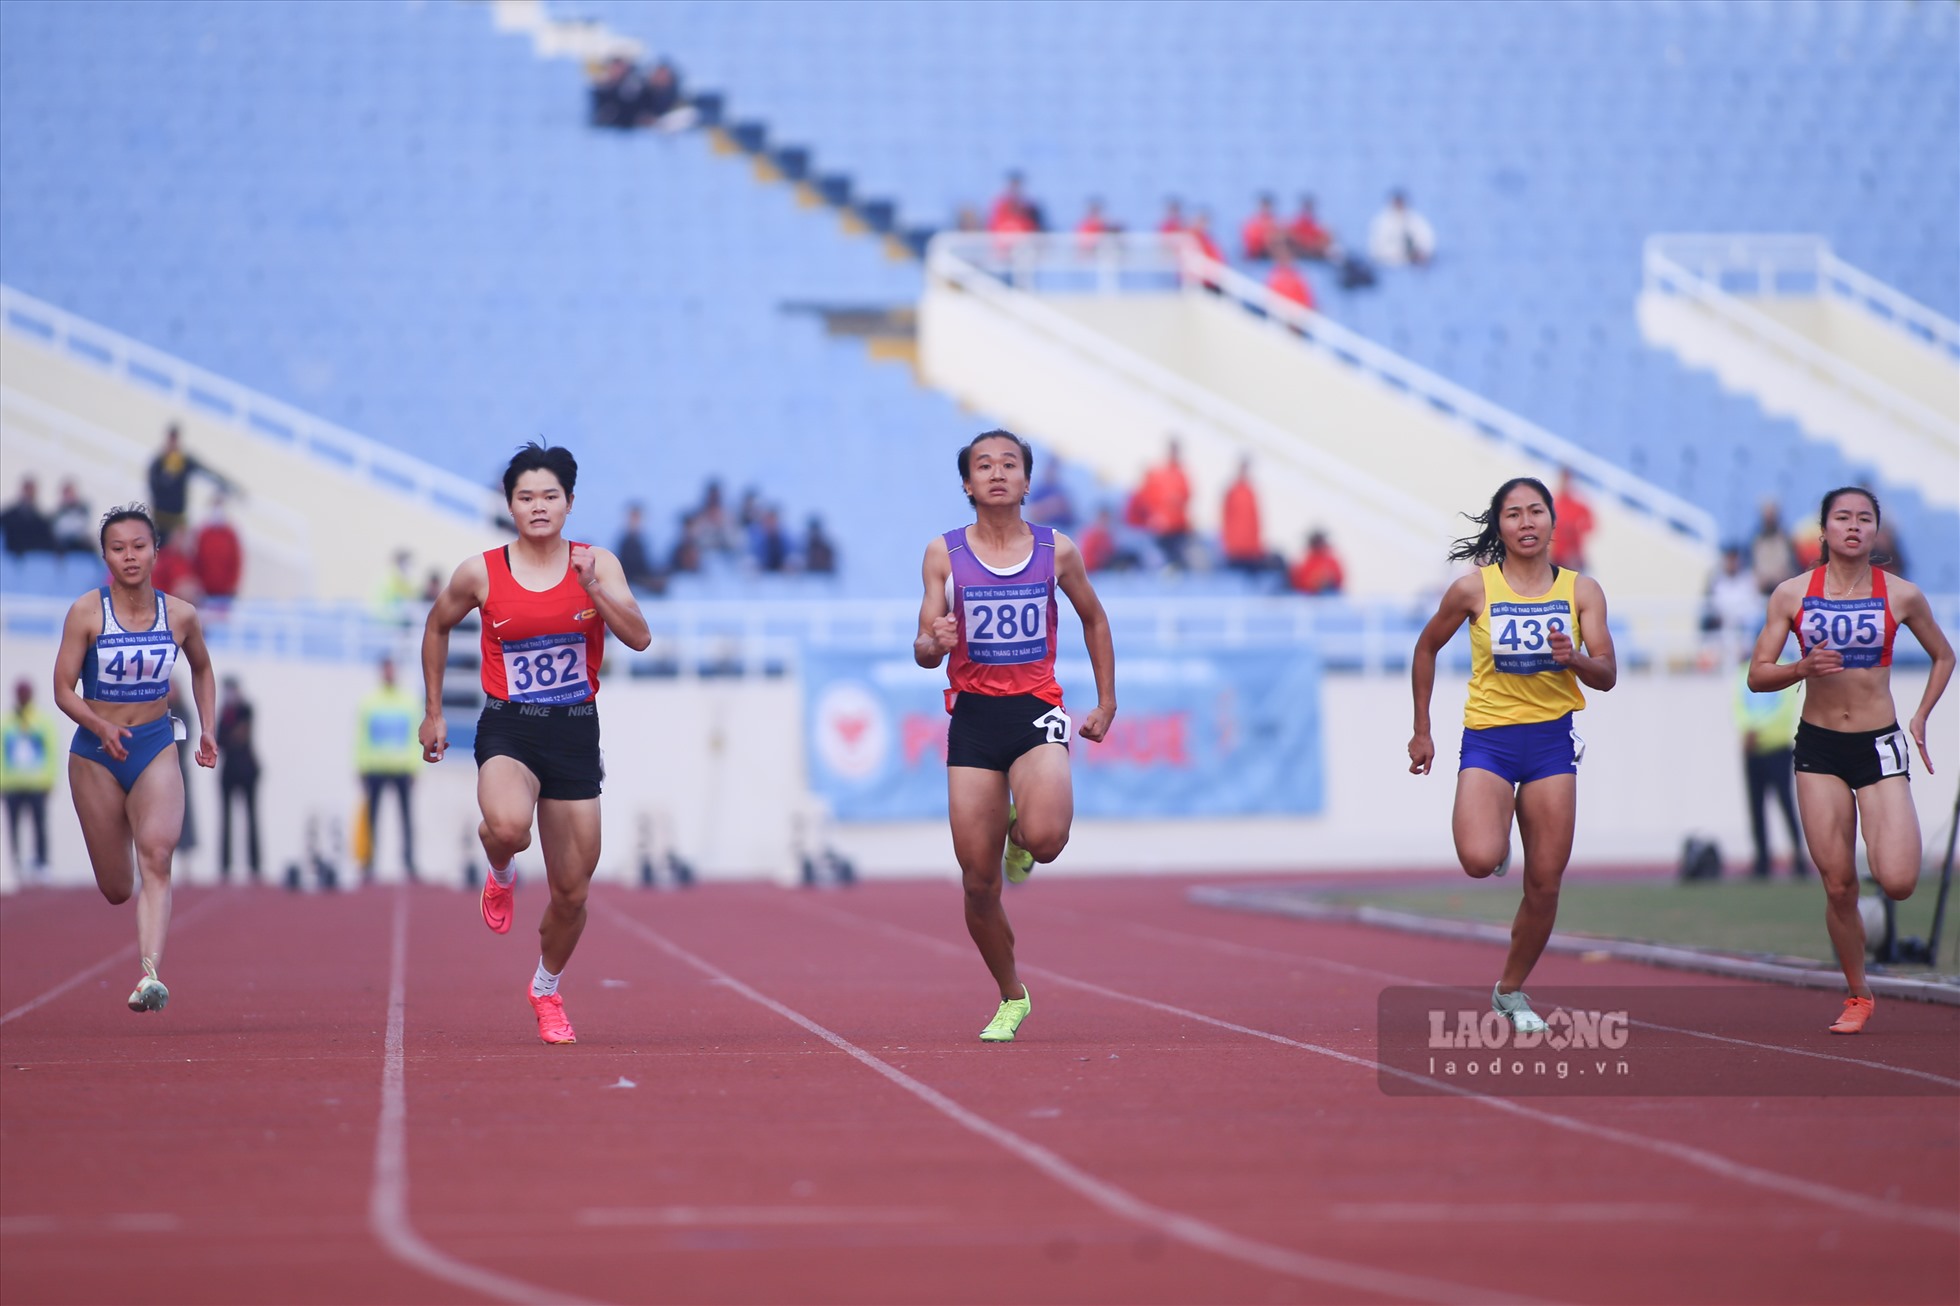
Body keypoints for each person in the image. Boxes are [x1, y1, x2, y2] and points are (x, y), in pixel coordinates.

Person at [420, 443, 651, 1045]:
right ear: (510, 506)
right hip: (509, 726)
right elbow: (437, 625)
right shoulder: (480, 572)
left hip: (575, 729)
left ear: (570, 504)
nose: (539, 506)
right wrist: (434, 712)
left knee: (572, 893)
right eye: (526, 497)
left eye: (550, 496)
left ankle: (546, 989)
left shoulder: (598, 562)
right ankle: (499, 869)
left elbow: (640, 637)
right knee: (507, 827)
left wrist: (595, 591)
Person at [915, 430, 1116, 1043]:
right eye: (984, 466)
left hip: (1035, 710)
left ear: (1028, 483)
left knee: (1048, 838)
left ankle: (1020, 834)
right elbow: (924, 645)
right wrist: (934, 643)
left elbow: (1094, 618)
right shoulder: (944, 554)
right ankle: (1011, 995)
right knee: (978, 882)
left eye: (1009, 464)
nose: (997, 473)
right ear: (968, 485)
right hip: (973, 718)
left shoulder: (1057, 552)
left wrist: (1106, 700)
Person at [1407, 477, 1618, 1033]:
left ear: (1553, 521)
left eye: (1536, 512)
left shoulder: (1582, 592)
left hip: (1551, 743)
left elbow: (1608, 675)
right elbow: (1426, 646)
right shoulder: (1474, 589)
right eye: (1513, 514)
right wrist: (1422, 730)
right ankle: (1498, 839)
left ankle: (1510, 990)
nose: (1526, 523)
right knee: (1479, 859)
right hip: (1491, 741)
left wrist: (1572, 658)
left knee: (1545, 884)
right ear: (1498, 525)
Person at [1746, 487, 1953, 1033]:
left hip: (1879, 742)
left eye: (1865, 519)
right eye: (1843, 518)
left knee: (1901, 879)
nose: (1854, 527)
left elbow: (1944, 655)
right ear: (1824, 530)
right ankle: (1858, 994)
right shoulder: (1792, 595)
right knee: (1838, 884)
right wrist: (1800, 668)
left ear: (1877, 532)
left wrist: (1920, 716)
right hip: (1819, 748)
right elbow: (1756, 673)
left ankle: (1879, 861)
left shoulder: (1902, 595)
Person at [52, 504, 218, 1012]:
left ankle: (150, 975)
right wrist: (100, 726)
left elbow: (203, 670)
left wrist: (207, 730)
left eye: (139, 546)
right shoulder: (86, 612)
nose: (130, 556)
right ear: (105, 555)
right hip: (96, 755)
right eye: (119, 548)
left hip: (153, 745)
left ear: (155, 552)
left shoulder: (180, 615)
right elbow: (62, 689)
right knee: (118, 887)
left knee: (158, 856)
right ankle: (117, 832)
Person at [1734, 651, 1807, 880]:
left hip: (1776, 747)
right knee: (1756, 807)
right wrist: (1748, 729)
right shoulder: (1745, 669)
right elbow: (1738, 704)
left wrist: (1757, 730)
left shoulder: (1785, 668)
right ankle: (1762, 861)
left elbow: (1785, 707)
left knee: (1785, 802)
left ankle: (1798, 858)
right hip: (1752, 748)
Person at [357, 657, 422, 884]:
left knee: (406, 818)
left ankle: (409, 861)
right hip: (375, 768)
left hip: (402, 768)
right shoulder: (369, 702)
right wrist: (362, 766)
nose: (389, 673)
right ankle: (368, 862)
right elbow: (362, 737)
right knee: (372, 818)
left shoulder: (408, 701)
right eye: (386, 670)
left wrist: (415, 766)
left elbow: (415, 737)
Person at [3, 680, 61, 881]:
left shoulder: (41, 720)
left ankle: (41, 863)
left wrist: (50, 779)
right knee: (12, 826)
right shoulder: (7, 721)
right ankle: (15, 863)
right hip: (12, 784)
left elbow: (52, 750)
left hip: (37, 783)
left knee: (39, 824)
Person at [146, 424, 226, 546]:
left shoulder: (185, 461)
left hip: (177, 521)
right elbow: (153, 488)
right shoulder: (158, 462)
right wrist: (167, 477)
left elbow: (204, 471)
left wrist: (222, 482)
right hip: (160, 518)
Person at [215, 676, 261, 882]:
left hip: (247, 769)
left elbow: (242, 735)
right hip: (228, 771)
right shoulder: (225, 713)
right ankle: (224, 866)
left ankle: (255, 865)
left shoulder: (245, 710)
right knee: (225, 819)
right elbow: (219, 740)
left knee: (251, 817)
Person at [1138, 439, 1192, 570]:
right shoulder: (1160, 473)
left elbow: (1187, 494)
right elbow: (1148, 495)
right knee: (1163, 560)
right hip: (1162, 525)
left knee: (1177, 559)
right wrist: (1155, 515)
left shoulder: (1182, 474)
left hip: (1178, 525)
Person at [1221, 458, 1267, 577]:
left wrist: (1258, 545)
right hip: (1235, 547)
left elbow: (1256, 519)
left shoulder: (1251, 491)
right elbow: (1225, 517)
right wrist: (1227, 543)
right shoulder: (1232, 490)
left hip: (1250, 547)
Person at [193, 495, 243, 603]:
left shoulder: (230, 535)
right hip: (205, 590)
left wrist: (233, 585)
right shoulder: (204, 533)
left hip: (225, 591)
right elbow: (197, 559)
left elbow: (236, 561)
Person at [1368, 189, 1436, 267]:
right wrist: (1401, 254)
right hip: (1390, 264)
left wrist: (1421, 251)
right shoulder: (1382, 222)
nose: (1399, 206)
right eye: (1397, 203)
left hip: (1414, 262)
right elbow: (1376, 249)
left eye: (1401, 203)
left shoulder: (1414, 219)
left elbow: (1427, 238)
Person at [1549, 469, 1594, 572]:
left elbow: (1590, 525)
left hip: (1571, 557)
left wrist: (1575, 529)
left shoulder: (1578, 505)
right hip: (1554, 555)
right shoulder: (1552, 502)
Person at [1750, 500, 1797, 596]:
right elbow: (1753, 566)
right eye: (1766, 515)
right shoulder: (1756, 539)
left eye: (1771, 515)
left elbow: (1791, 565)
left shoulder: (1785, 538)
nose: (1769, 519)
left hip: (1782, 587)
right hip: (1761, 590)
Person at [614, 503, 662, 594]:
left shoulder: (644, 540)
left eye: (638, 518)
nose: (635, 521)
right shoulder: (625, 542)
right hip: (631, 583)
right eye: (633, 517)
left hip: (643, 581)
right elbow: (628, 568)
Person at [1, 476, 55, 557]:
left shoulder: (40, 518)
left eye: (32, 491)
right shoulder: (9, 515)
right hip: (11, 558)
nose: (29, 493)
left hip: (32, 558)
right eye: (27, 490)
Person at [1289, 530, 1345, 595]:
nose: (1318, 545)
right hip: (1307, 598)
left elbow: (1339, 579)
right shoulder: (1303, 562)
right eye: (1316, 542)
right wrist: (1312, 584)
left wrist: (1329, 580)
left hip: (1329, 596)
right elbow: (1296, 582)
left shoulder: (1331, 561)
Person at [50, 480, 92, 558]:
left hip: (79, 541)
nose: (69, 496)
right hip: (63, 543)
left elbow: (82, 526)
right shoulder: (59, 511)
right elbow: (58, 529)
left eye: (70, 493)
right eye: (67, 494)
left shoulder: (82, 509)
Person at [1285, 194, 1335, 261]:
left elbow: (1323, 238)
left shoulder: (1317, 225)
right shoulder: (1295, 224)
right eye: (1306, 207)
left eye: (1310, 208)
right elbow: (1292, 236)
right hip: (1300, 250)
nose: (1308, 211)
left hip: (1313, 250)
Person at [1267, 245, 1316, 310]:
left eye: (1285, 255)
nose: (1283, 258)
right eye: (1280, 255)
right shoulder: (1272, 276)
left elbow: (1307, 302)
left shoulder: (1298, 277)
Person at [1241, 193, 1281, 261]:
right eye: (1265, 205)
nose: (1267, 208)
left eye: (1268, 206)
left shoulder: (1276, 221)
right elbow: (1251, 242)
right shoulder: (1253, 222)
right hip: (1259, 253)